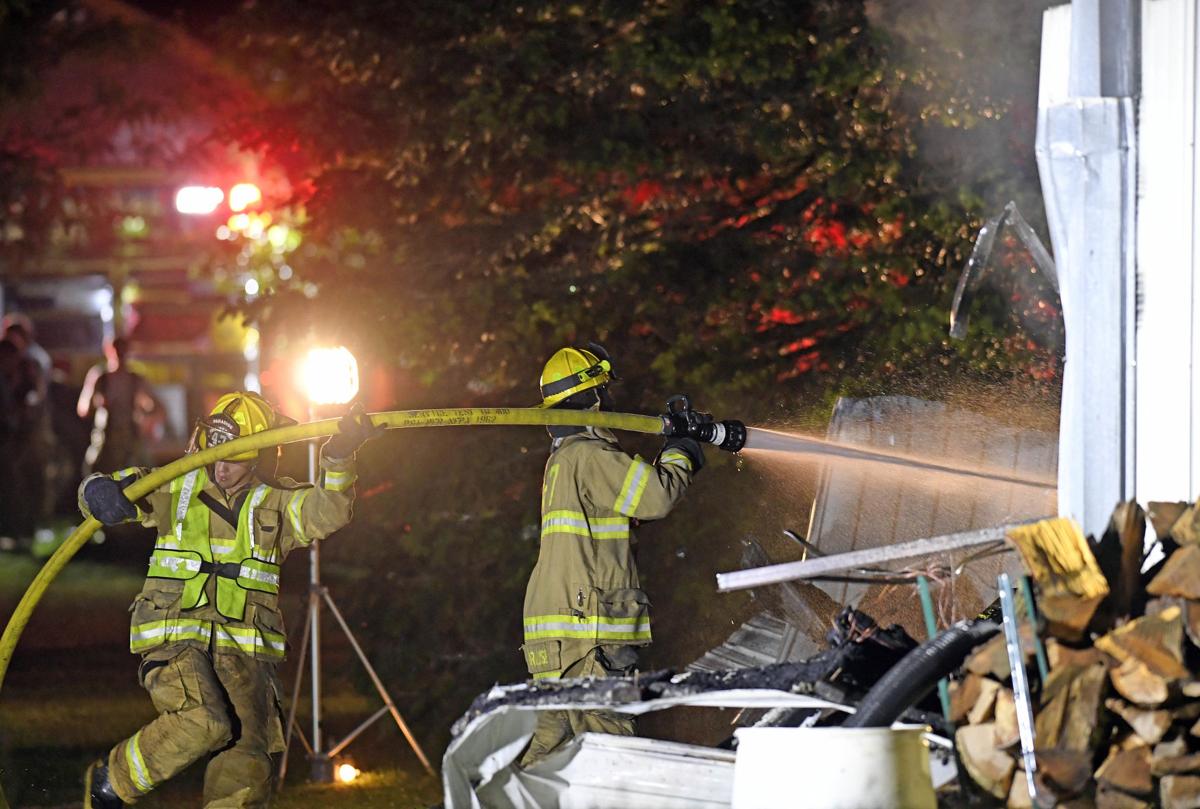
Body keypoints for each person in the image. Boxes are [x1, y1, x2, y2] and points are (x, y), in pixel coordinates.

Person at [78, 391, 383, 808]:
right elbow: (110, 487)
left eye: (234, 459)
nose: (220, 468)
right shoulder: (177, 487)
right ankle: (113, 782)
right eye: (215, 454)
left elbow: (327, 510)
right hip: (177, 640)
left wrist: (340, 456)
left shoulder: (277, 502)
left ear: (260, 457)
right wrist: (99, 493)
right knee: (202, 720)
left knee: (246, 767)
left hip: (244, 656)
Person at [518, 346, 705, 766]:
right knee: (610, 757)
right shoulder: (590, 454)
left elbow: (613, 522)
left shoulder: (562, 461)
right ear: (594, 397)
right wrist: (681, 450)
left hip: (556, 638)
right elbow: (657, 496)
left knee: (548, 759)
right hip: (589, 632)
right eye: (605, 390)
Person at [77, 337, 163, 475]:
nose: (120, 356)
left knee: (146, 471)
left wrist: (147, 420)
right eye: (117, 351)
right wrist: (97, 402)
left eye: (123, 351)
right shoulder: (100, 377)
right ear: (109, 351)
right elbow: (83, 409)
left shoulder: (135, 379)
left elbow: (157, 407)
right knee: (93, 471)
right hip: (105, 437)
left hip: (130, 438)